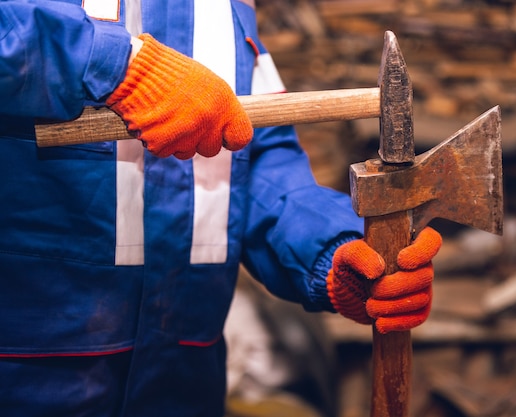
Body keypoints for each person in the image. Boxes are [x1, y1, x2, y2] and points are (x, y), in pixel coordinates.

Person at [0, 1, 442, 416]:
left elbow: (259, 157)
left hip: (183, 379)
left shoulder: (233, 6)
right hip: (25, 375)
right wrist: (115, 64)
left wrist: (332, 252)